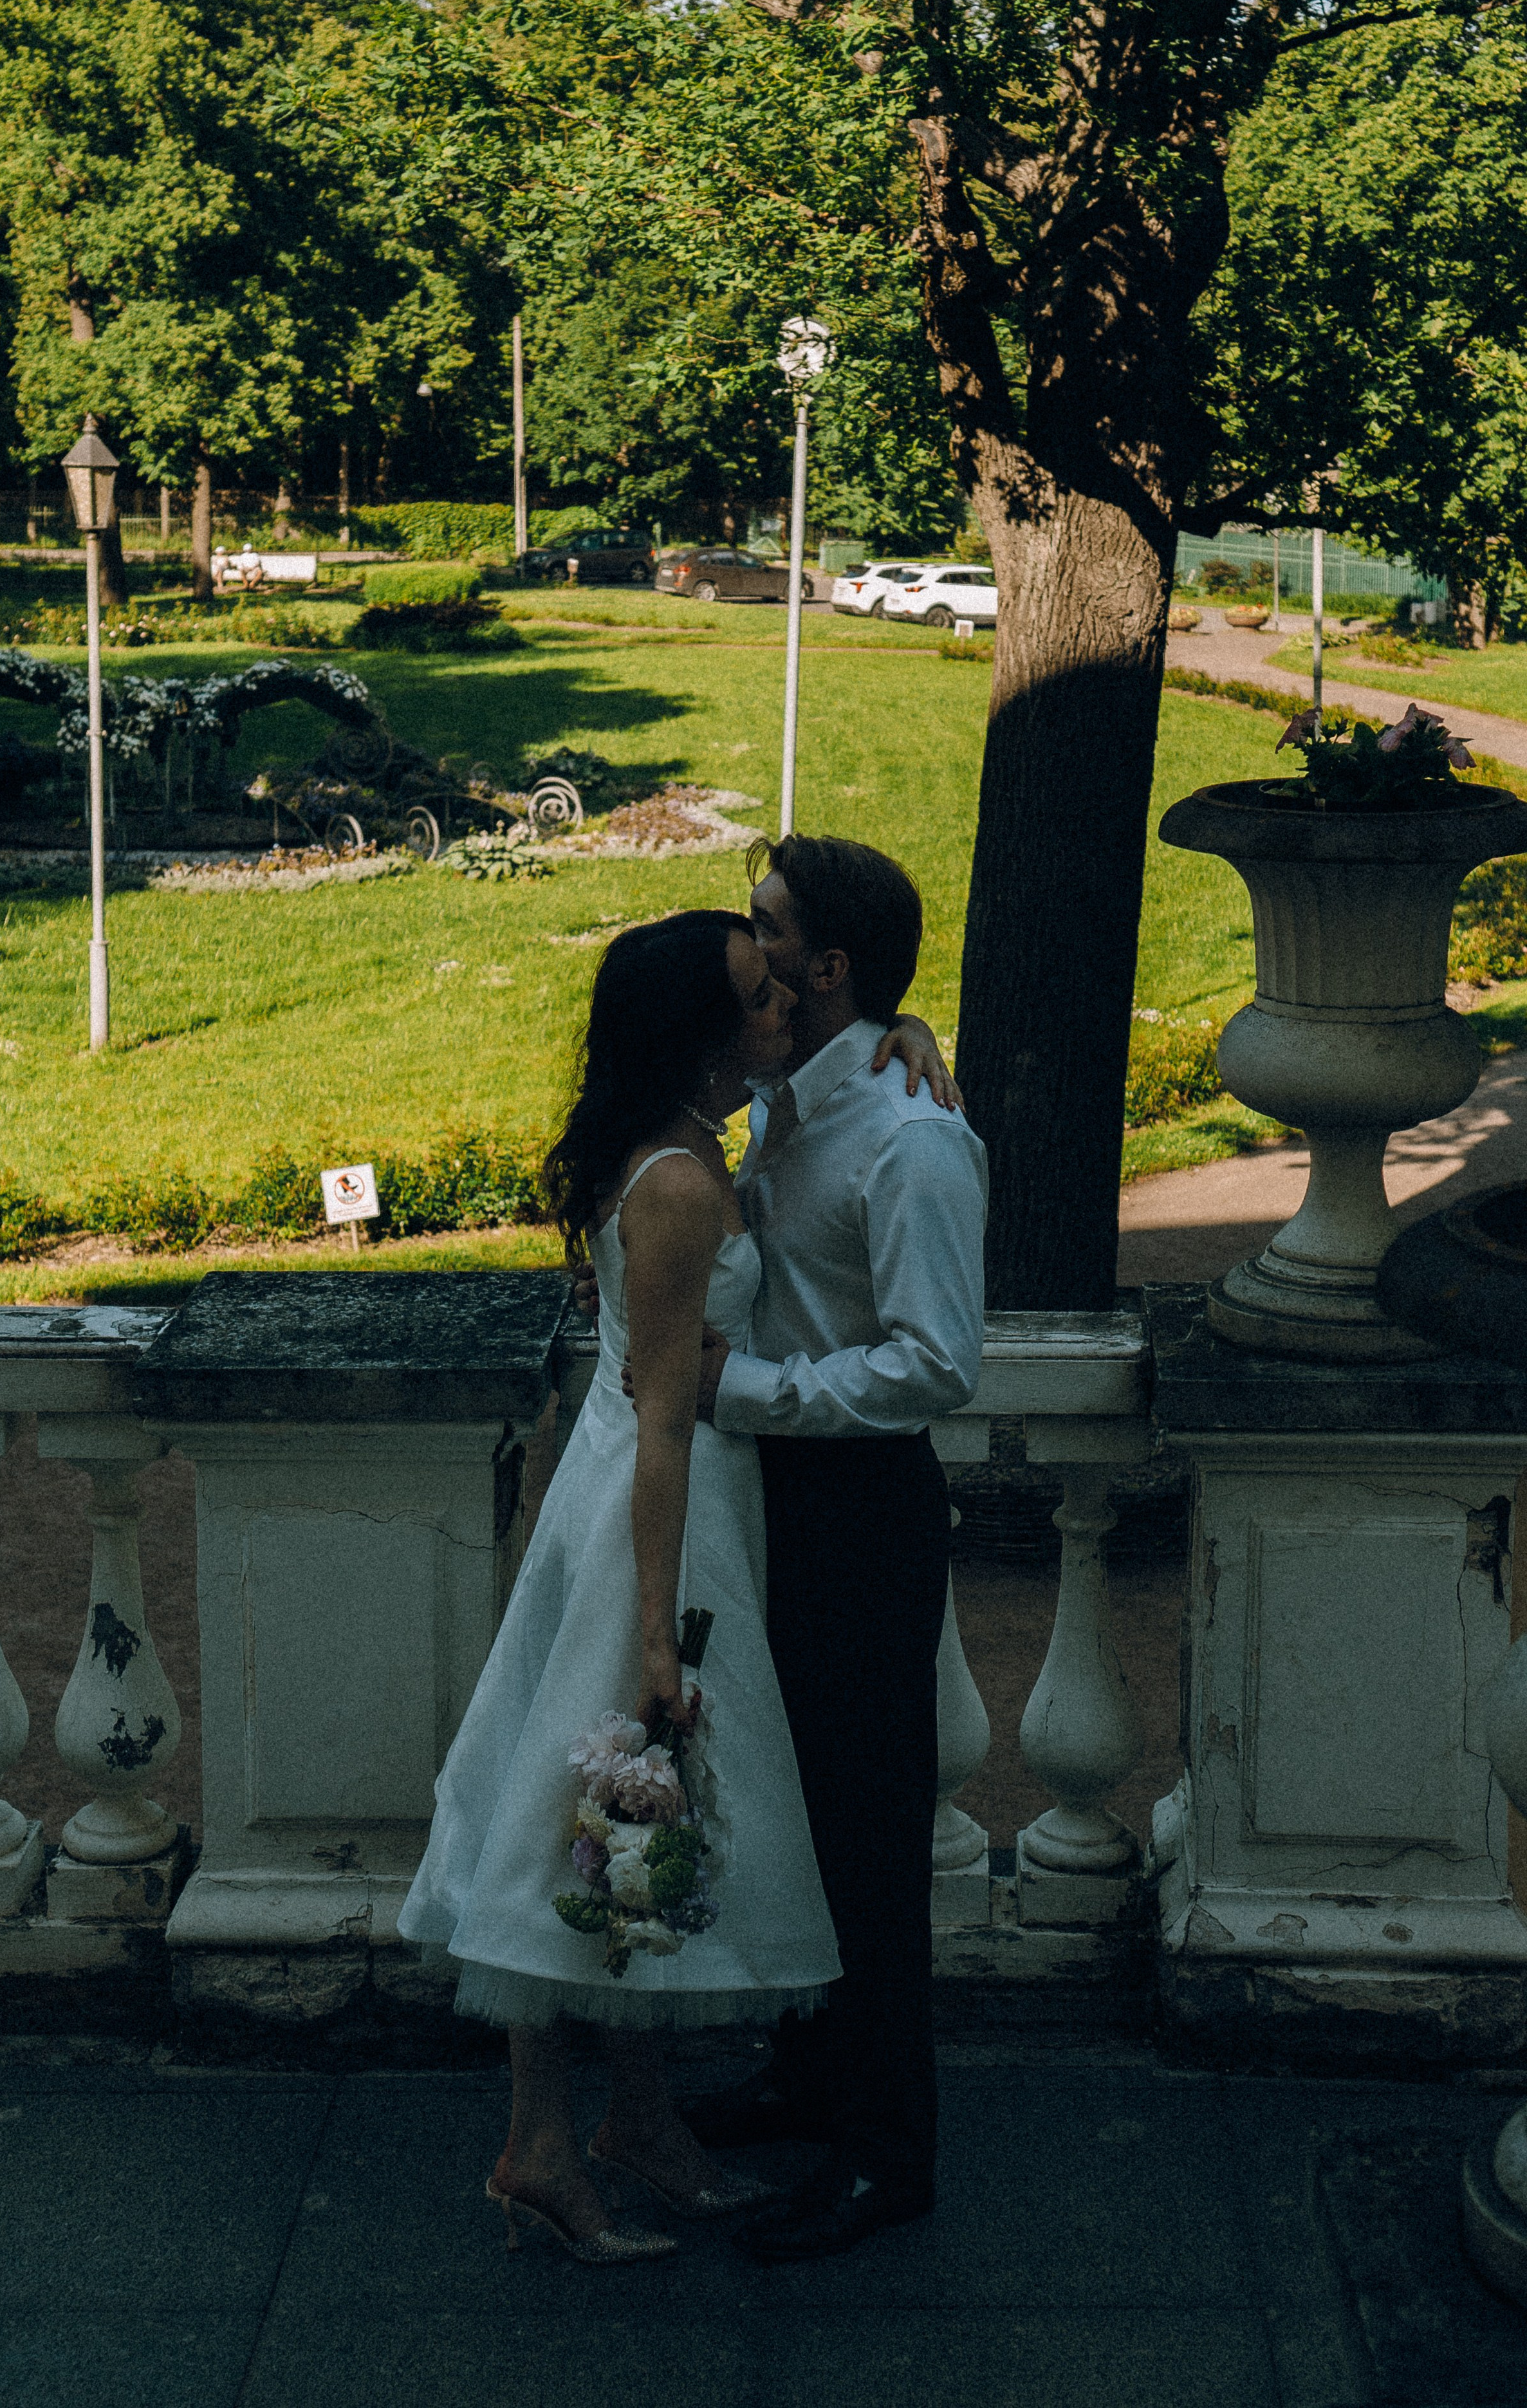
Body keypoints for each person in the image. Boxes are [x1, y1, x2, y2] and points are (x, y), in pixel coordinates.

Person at [398, 909, 842, 2264]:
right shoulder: (677, 1189)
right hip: (662, 1519)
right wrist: (655, 1627)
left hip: (639, 1502)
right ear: (698, 1039)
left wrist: (910, 1041)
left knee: (623, 1820)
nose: (784, 1015)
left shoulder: (692, 1146)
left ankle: (633, 2124)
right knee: (587, 1812)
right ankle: (540, 2143)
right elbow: (660, 1416)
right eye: (763, 1003)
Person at [677, 834, 988, 2261]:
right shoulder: (792, 1096)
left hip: (857, 1507)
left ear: (828, 965)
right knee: (784, 1806)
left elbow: (935, 1367)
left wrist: (743, 1396)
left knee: (865, 1836)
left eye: (769, 927)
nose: (751, 947)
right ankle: (808, 2076)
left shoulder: (912, 1141)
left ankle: (888, 2152)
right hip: (771, 1501)